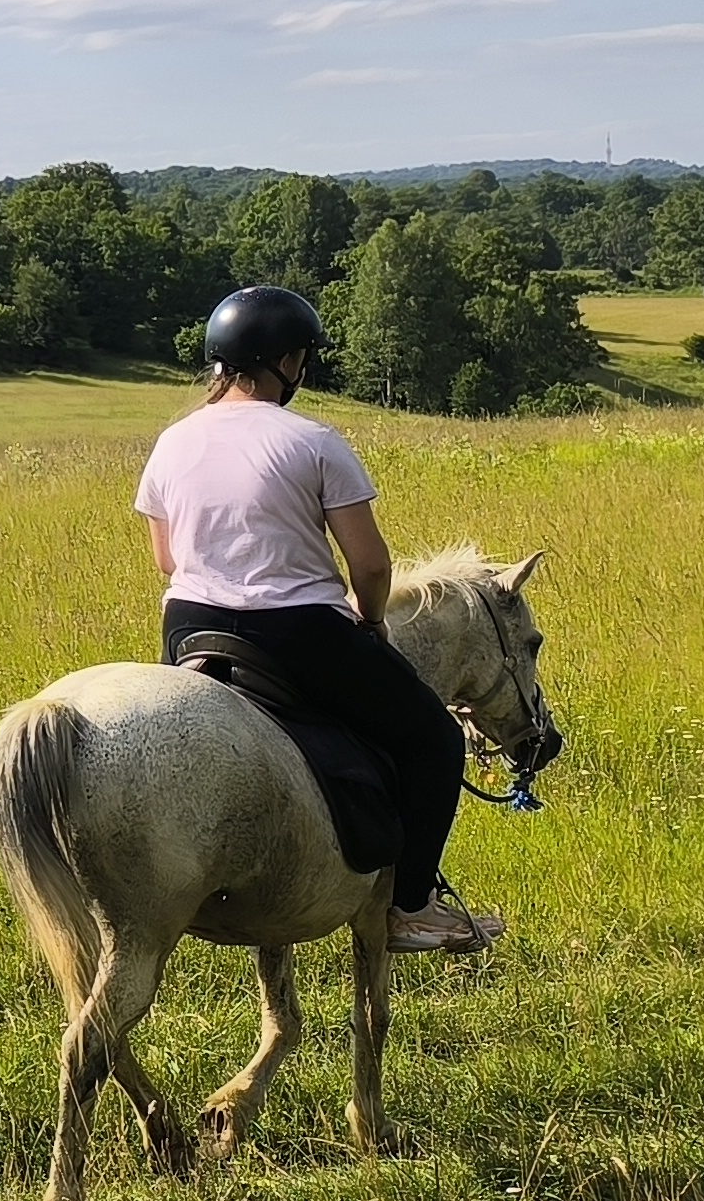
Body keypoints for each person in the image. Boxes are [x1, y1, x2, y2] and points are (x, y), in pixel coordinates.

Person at [135, 285, 497, 953]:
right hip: (295, 632)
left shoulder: (171, 441)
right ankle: (410, 907)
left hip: (188, 627)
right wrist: (370, 621)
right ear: (285, 361)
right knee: (434, 743)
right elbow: (371, 565)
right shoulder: (315, 441)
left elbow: (165, 557)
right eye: (301, 356)